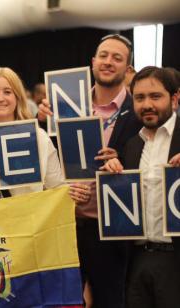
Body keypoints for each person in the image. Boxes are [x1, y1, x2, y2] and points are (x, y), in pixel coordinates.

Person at [38, 33, 143, 308]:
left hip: (112, 231)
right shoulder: (64, 106)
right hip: (67, 224)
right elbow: (47, 161)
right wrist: (40, 122)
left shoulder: (138, 112)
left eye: (117, 58)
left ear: (128, 69)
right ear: (93, 62)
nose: (109, 62)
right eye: (104, 56)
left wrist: (122, 162)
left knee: (112, 301)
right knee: (63, 301)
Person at [102, 66, 180, 308]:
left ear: (175, 98)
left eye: (155, 96)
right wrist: (113, 171)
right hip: (136, 260)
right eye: (139, 97)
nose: (147, 104)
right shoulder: (131, 145)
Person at [0, 67, 64, 199]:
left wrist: (74, 192)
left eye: (7, 92)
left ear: (18, 97)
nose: (0, 98)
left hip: (32, 218)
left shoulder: (38, 137)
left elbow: (56, 187)